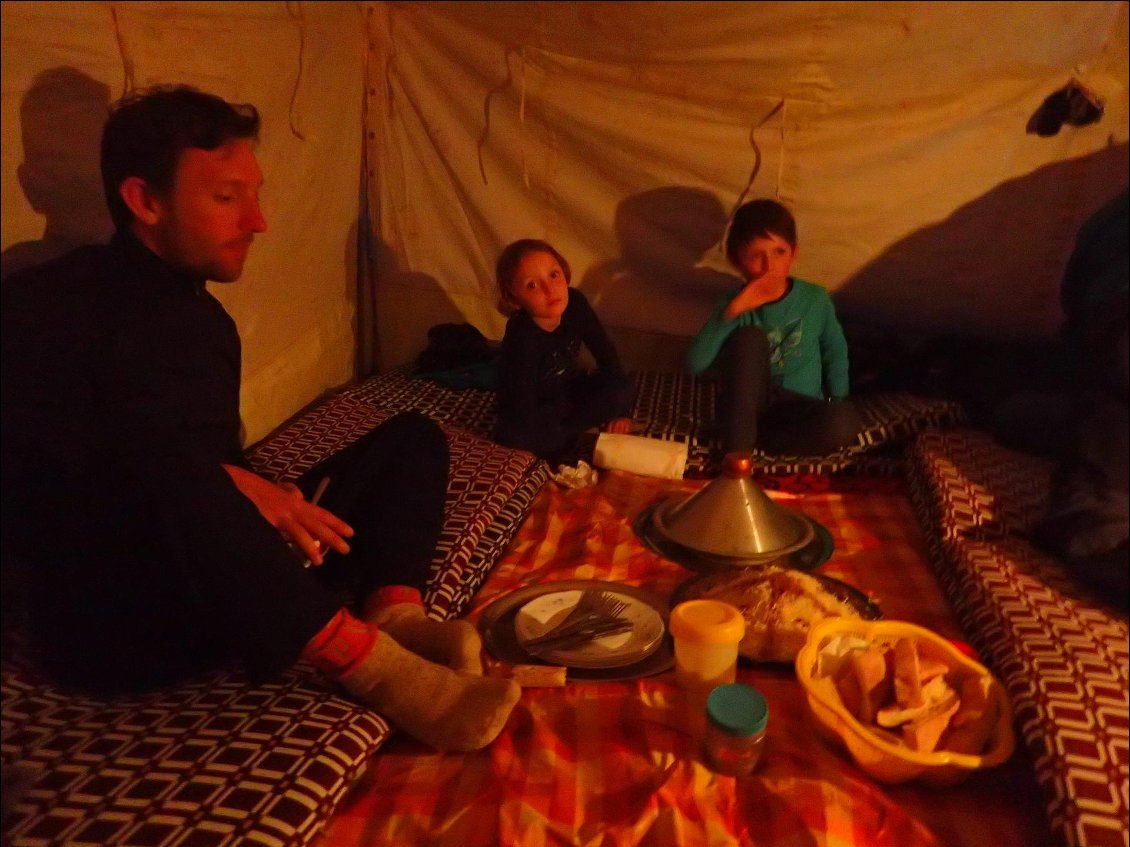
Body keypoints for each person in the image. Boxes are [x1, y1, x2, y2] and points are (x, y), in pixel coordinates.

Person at [0, 84, 519, 752]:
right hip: (121, 624)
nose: (259, 220)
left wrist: (255, 495)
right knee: (186, 479)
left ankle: (395, 612)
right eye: (226, 198)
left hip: (221, 561)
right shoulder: (49, 302)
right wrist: (225, 485)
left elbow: (200, 464)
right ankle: (387, 673)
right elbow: (60, 467)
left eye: (255, 192)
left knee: (413, 435)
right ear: (144, 201)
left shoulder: (198, 314)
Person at [685, 199, 861, 456]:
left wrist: (838, 398)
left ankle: (753, 440)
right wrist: (732, 313)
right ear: (738, 261)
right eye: (757, 255)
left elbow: (835, 350)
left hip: (797, 410)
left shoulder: (814, 299)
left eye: (779, 252)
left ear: (794, 252)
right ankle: (739, 453)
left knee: (844, 423)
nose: (769, 266)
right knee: (749, 338)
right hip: (747, 409)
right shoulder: (734, 305)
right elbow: (693, 364)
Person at [493, 238, 635, 461]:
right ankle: (566, 439)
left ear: (564, 272)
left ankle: (568, 435)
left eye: (553, 275)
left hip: (567, 391)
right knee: (516, 436)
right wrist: (554, 431)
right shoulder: (522, 335)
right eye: (532, 285)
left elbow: (605, 352)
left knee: (620, 388)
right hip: (534, 407)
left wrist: (620, 411)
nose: (550, 289)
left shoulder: (575, 303)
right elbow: (521, 404)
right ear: (515, 298)